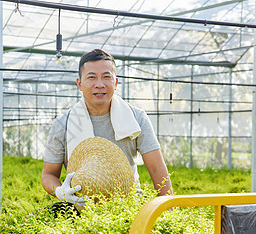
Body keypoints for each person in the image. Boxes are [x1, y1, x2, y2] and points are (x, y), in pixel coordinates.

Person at [41, 49, 172, 209]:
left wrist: (168, 210)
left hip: (128, 205)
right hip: (79, 205)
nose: (100, 84)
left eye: (106, 77)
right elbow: (49, 174)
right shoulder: (63, 124)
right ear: (79, 84)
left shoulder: (136, 118)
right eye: (91, 77)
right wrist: (61, 191)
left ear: (115, 83)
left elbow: (157, 168)